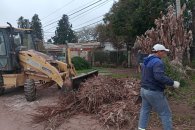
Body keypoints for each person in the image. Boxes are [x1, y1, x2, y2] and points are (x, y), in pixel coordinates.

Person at [138, 43, 180, 130]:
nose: (165, 54)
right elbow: (159, 77)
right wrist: (172, 83)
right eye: (164, 52)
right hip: (153, 91)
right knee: (165, 113)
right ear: (159, 52)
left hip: (143, 90)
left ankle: (141, 128)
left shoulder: (147, 60)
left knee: (145, 111)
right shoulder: (157, 62)